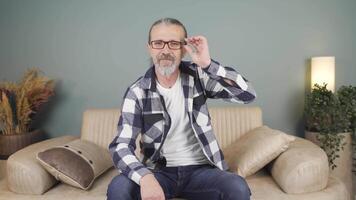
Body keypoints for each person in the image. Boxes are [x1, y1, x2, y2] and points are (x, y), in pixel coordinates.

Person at [107, 17, 256, 200]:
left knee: (237, 186)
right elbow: (121, 145)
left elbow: (247, 94)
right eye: (159, 43)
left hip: (201, 171)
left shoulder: (199, 77)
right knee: (119, 187)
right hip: (158, 172)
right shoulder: (137, 92)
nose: (166, 50)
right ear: (150, 48)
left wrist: (208, 64)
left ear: (184, 50)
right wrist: (145, 177)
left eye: (174, 44)